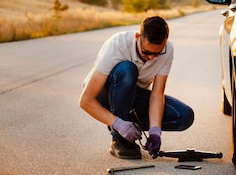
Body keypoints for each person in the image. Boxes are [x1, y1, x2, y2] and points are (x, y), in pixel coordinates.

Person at [79, 15, 194, 159]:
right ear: (137, 36)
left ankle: (130, 126)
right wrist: (118, 124)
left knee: (184, 116)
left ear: (165, 42)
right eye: (146, 52)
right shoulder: (118, 44)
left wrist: (155, 131)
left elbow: (157, 94)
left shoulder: (168, 50)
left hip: (134, 96)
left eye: (157, 53)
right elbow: (85, 100)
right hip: (104, 95)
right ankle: (119, 138)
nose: (151, 57)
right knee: (128, 70)